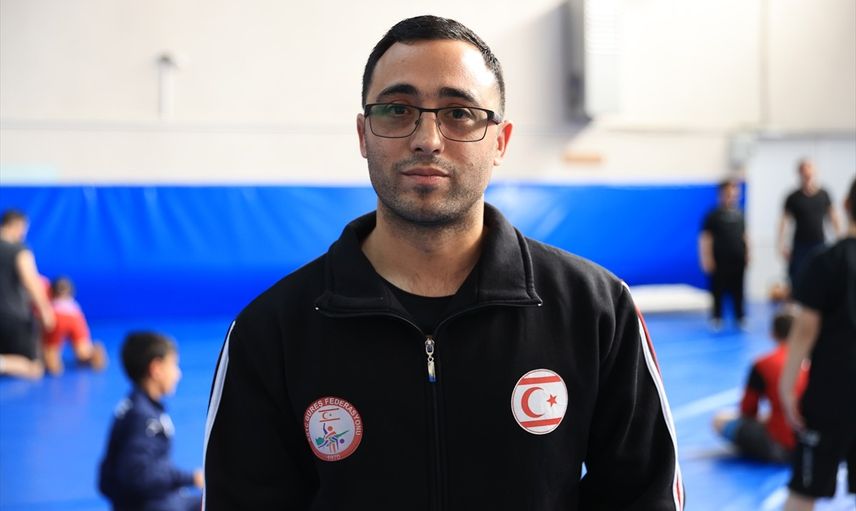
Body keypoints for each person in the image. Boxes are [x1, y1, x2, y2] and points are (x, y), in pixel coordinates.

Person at [203, 15, 683, 510]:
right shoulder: (272, 332)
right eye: (397, 109)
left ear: (500, 141)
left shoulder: (596, 309)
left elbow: (643, 496)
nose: (427, 138)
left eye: (459, 113)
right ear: (364, 134)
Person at [779, 178, 856, 511]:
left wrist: (787, 387)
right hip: (834, 392)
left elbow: (804, 331)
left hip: (832, 393)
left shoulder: (827, 261)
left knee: (804, 491)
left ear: (846, 205)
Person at [98, 331, 203, 511]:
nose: (178, 374)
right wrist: (190, 478)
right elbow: (137, 475)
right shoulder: (143, 419)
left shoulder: (135, 406)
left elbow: (107, 478)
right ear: (156, 369)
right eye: (174, 365)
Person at [711, 307, 807, 462]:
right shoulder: (813, 363)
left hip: (782, 445)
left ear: (773, 334)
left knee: (719, 419)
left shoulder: (764, 364)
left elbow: (748, 409)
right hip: (812, 444)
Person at [0, 209, 54, 379]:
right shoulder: (19, 250)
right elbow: (31, 280)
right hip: (14, 318)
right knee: (35, 368)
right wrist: (45, 310)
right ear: (17, 225)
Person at [777, 159, 841, 288]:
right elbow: (783, 222)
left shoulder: (824, 195)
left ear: (815, 173)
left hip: (819, 243)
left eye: (810, 173)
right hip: (799, 245)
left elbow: (834, 218)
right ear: (800, 174)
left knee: (820, 278)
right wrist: (781, 245)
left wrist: (839, 240)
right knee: (797, 278)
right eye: (805, 174)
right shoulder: (792, 197)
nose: (808, 177)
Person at [699, 179, 750, 331]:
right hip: (719, 259)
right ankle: (717, 317)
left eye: (734, 194)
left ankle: (740, 317)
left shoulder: (740, 214)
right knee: (717, 289)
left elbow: (745, 236)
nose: (731, 197)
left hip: (737, 258)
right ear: (721, 194)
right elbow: (705, 238)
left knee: (738, 289)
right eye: (728, 194)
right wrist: (707, 258)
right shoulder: (712, 215)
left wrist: (748, 253)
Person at [42, 276, 108, 375]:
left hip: (57, 316)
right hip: (75, 316)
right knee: (82, 349)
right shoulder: (74, 305)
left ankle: (53, 364)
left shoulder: (51, 304)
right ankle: (90, 353)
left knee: (51, 349)